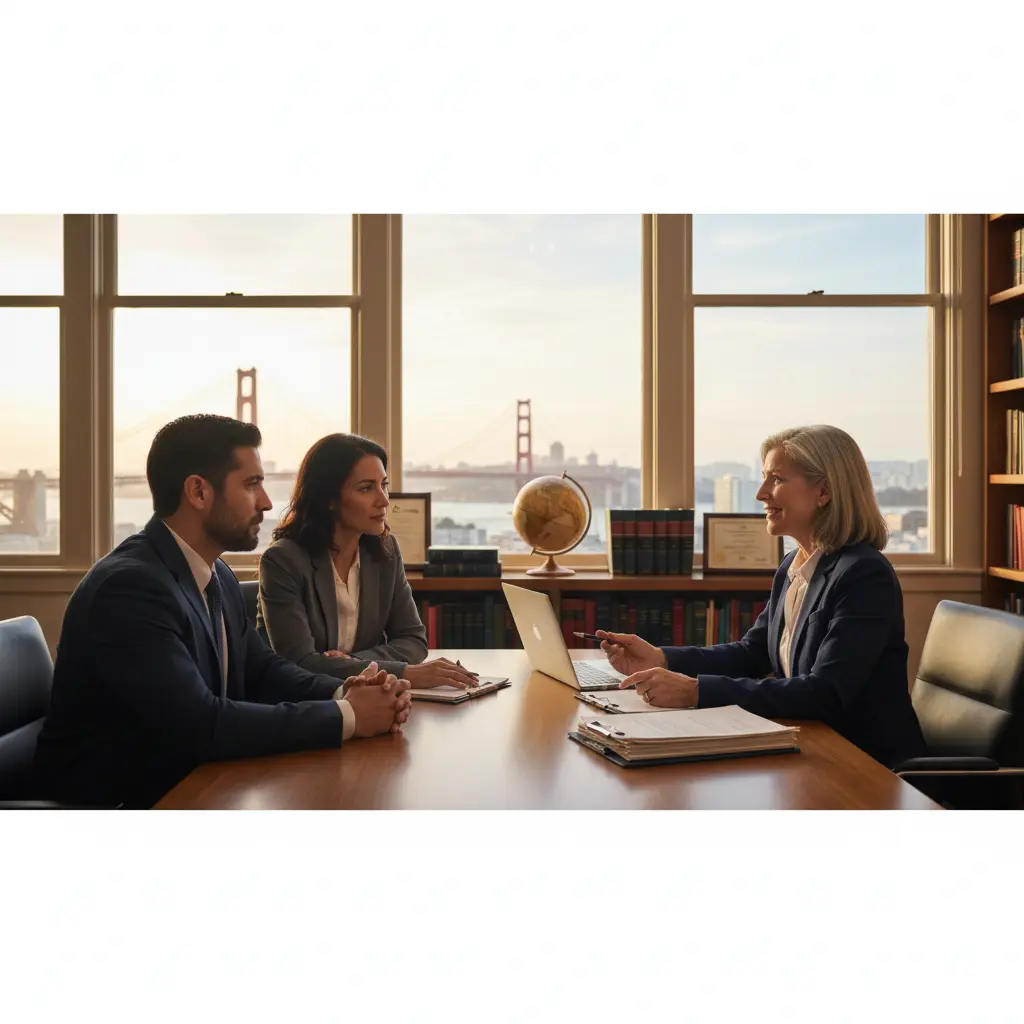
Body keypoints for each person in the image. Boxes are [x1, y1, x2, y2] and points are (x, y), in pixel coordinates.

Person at [33, 415, 412, 809]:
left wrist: (344, 690)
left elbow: (261, 669)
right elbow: (200, 725)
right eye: (252, 484)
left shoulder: (217, 575)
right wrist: (346, 717)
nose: (266, 502)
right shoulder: (130, 589)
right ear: (198, 492)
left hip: (195, 787)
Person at [597, 424, 927, 768]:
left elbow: (826, 693)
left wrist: (696, 691)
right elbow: (753, 653)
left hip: (866, 766)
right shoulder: (793, 565)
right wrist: (661, 658)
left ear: (824, 491)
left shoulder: (863, 574)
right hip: (812, 746)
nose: (761, 493)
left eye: (777, 479)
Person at [257, 433, 479, 691]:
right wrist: (406, 672)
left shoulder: (384, 552)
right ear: (328, 499)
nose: (384, 500)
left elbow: (413, 640)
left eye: (383, 484)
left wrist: (358, 661)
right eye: (366, 488)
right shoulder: (284, 561)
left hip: (371, 698)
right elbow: (301, 664)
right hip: (304, 707)